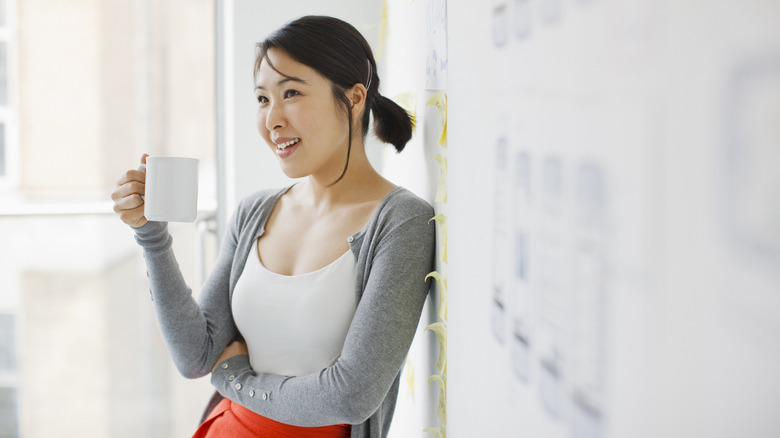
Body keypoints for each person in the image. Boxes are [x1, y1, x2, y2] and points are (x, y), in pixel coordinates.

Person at [111, 15, 435, 438]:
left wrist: (235, 380)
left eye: (292, 93)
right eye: (263, 99)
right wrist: (151, 235)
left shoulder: (400, 222)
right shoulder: (255, 212)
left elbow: (351, 397)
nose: (272, 120)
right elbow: (196, 354)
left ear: (355, 98)